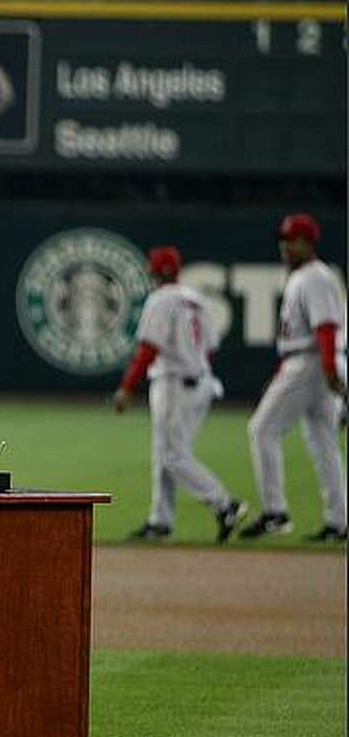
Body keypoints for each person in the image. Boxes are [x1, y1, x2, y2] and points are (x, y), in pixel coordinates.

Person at [113, 246, 248, 544]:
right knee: (165, 453)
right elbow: (210, 348)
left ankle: (225, 505)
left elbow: (149, 348)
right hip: (199, 381)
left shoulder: (160, 300)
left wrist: (126, 387)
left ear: (154, 272)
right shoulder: (196, 299)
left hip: (175, 383)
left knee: (173, 455)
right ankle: (160, 521)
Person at [241, 213, 347, 542]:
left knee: (261, 429)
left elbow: (326, 326)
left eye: (292, 241)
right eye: (283, 240)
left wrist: (330, 369)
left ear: (308, 242)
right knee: (323, 443)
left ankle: (276, 512)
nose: (285, 247)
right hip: (307, 362)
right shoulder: (305, 277)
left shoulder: (316, 277)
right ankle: (339, 522)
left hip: (312, 363)